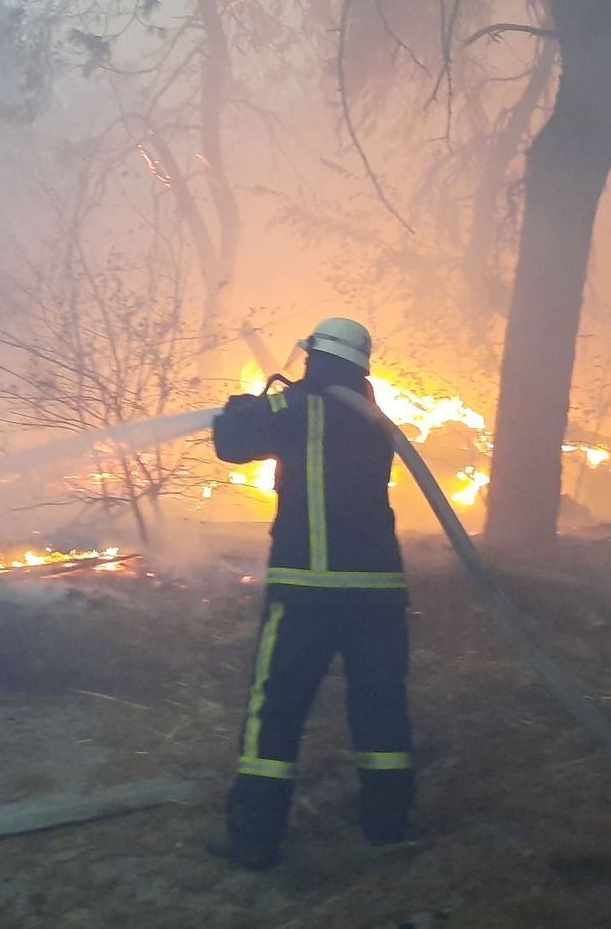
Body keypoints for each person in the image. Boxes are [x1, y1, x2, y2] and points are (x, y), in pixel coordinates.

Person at [209, 318, 414, 870]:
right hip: (378, 593)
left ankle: (255, 838)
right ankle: (390, 827)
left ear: (317, 357)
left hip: (306, 591)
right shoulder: (375, 420)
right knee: (381, 708)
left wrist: (238, 410)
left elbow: (233, 443)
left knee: (275, 710)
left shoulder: (294, 407)